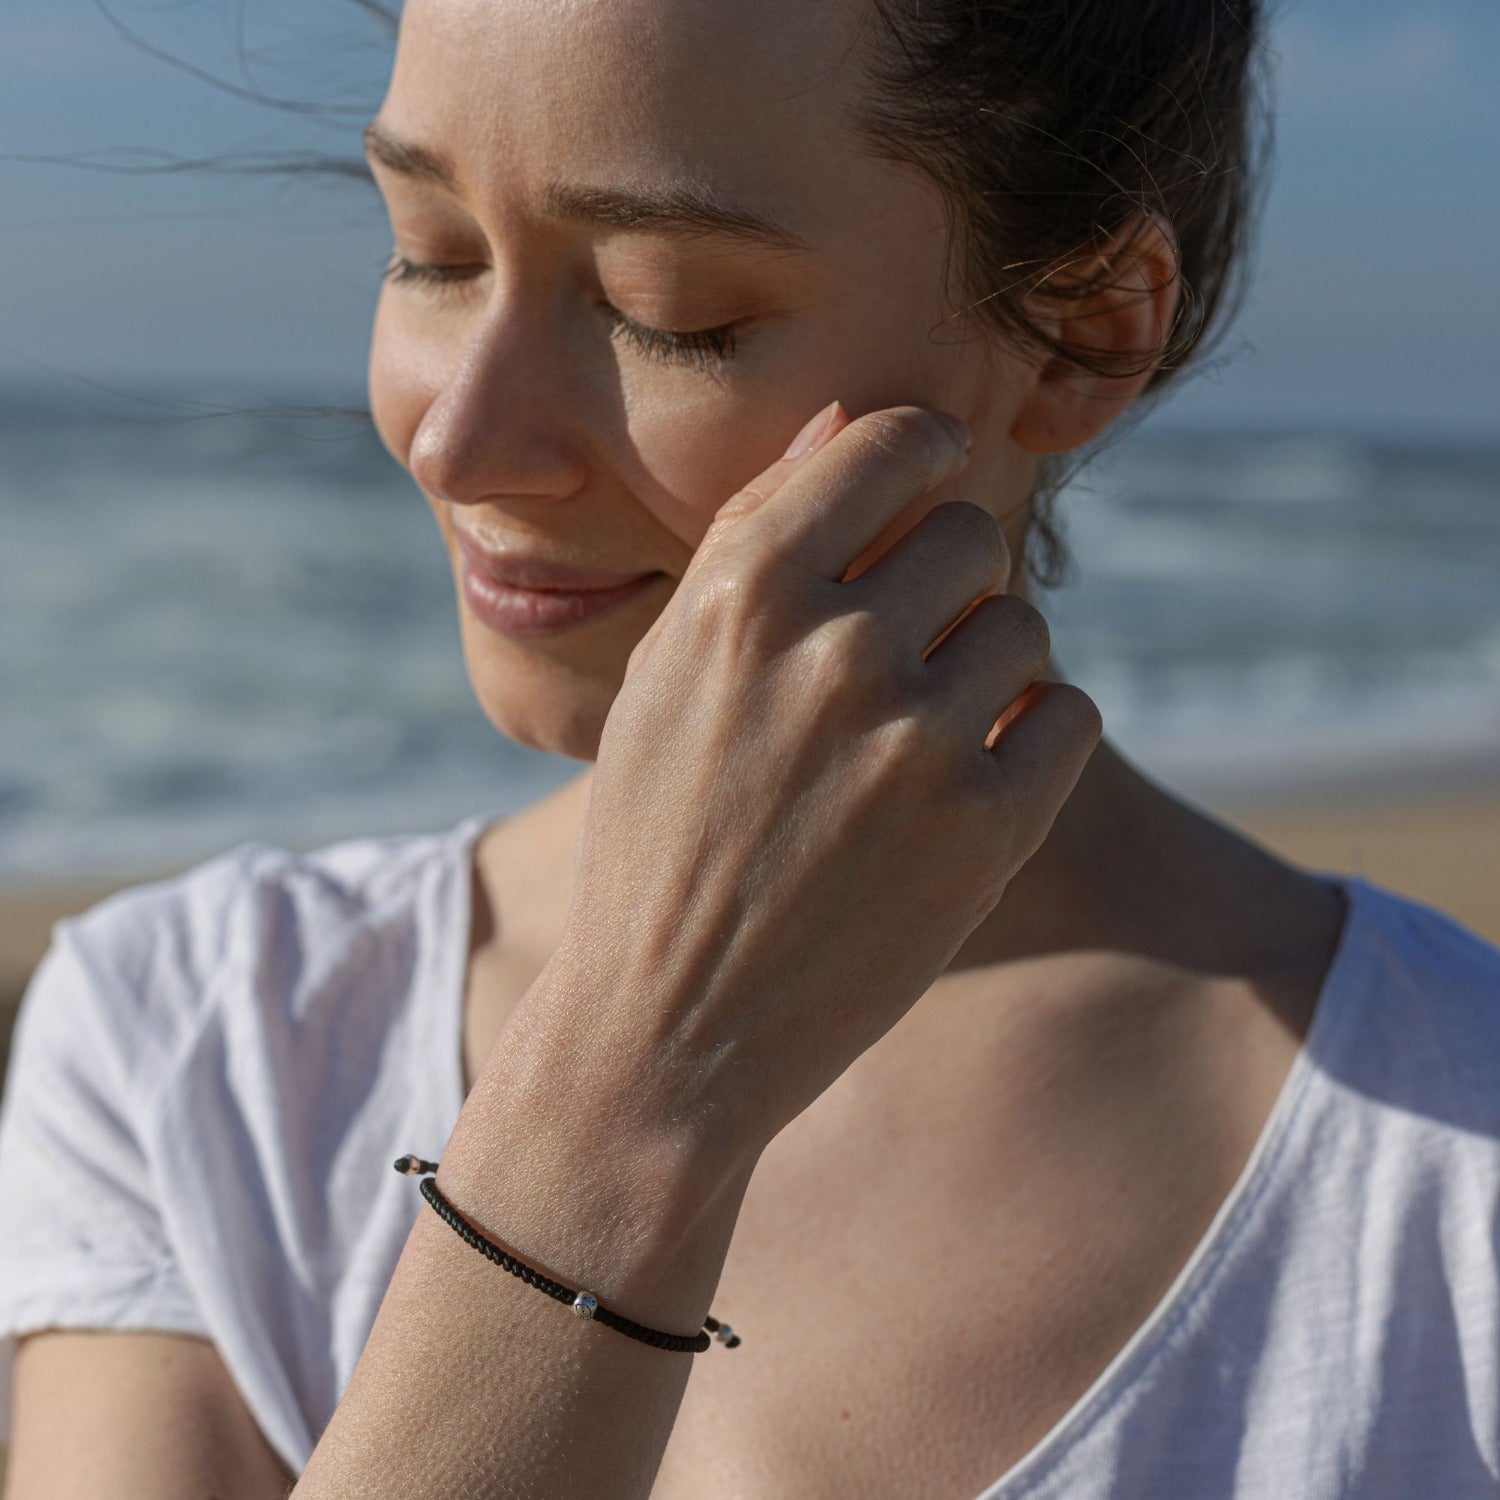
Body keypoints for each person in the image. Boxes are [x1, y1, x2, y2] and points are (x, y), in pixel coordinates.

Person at [2, 0, 1498, 1495]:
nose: (457, 439)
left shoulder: (1453, 1163)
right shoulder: (199, 1056)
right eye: (431, 252)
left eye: (672, 314)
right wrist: (624, 1101)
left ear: (1088, 326)